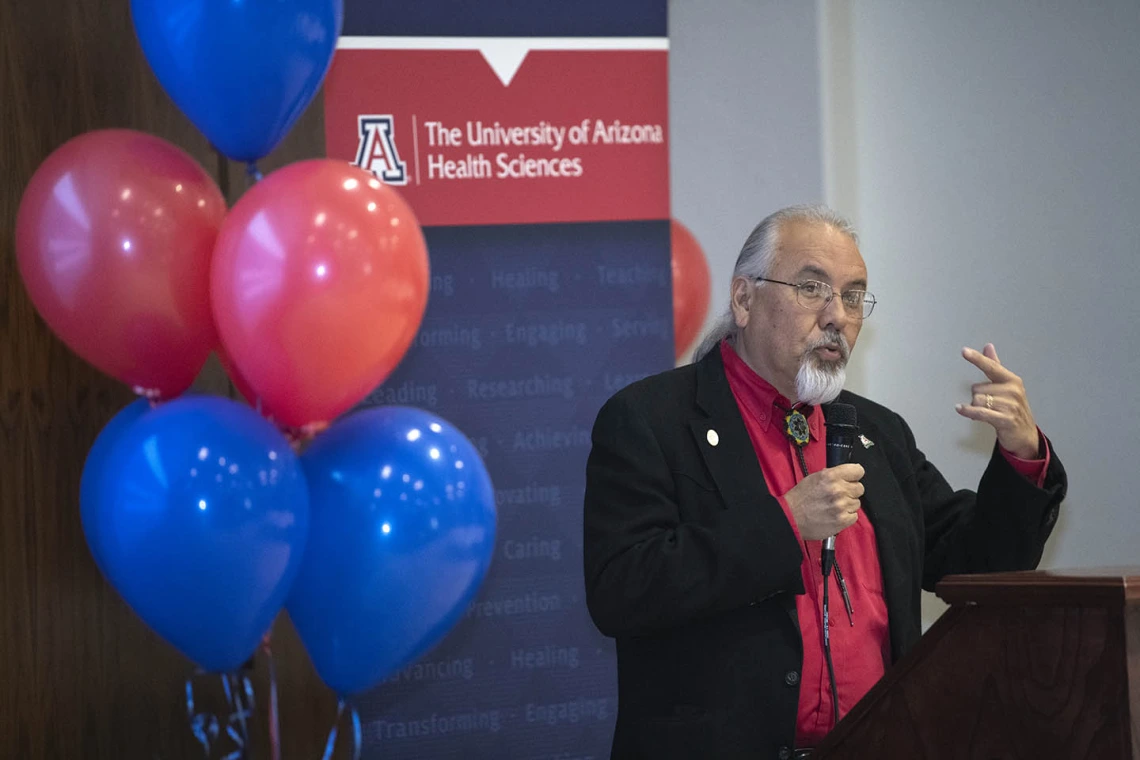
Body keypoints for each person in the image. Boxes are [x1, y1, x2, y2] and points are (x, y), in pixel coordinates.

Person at [582, 205, 1066, 760]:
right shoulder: (652, 419)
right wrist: (784, 526)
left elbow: (978, 563)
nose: (837, 314)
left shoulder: (876, 432)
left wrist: (1022, 454)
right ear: (744, 299)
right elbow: (621, 590)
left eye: (854, 296)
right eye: (812, 288)